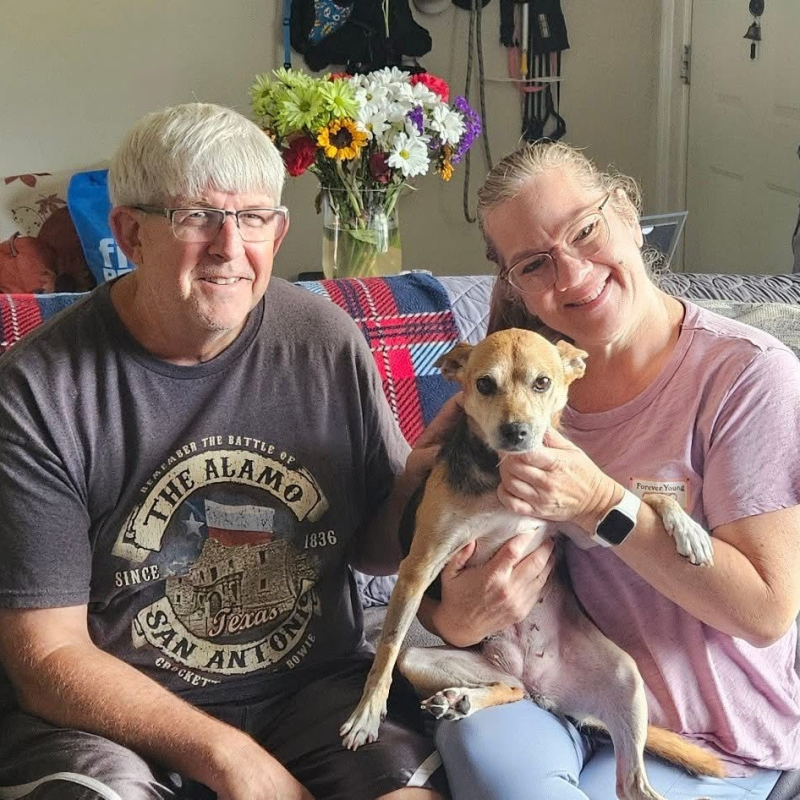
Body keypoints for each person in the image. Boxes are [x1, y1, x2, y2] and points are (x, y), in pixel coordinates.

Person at [0, 102, 452, 800]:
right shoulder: (39, 389)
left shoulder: (324, 340)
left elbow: (372, 548)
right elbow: (46, 654)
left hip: (313, 692)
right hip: (115, 717)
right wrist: (232, 757)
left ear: (279, 231)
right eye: (197, 217)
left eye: (254, 218)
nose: (229, 246)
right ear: (130, 232)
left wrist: (432, 485)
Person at [417, 140, 800, 800]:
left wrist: (601, 505)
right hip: (541, 688)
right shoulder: (510, 391)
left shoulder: (747, 377)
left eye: (584, 231)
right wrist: (455, 618)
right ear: (514, 285)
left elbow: (766, 612)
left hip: (705, 732)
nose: (570, 275)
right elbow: (412, 551)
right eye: (534, 264)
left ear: (626, 212)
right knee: (494, 765)